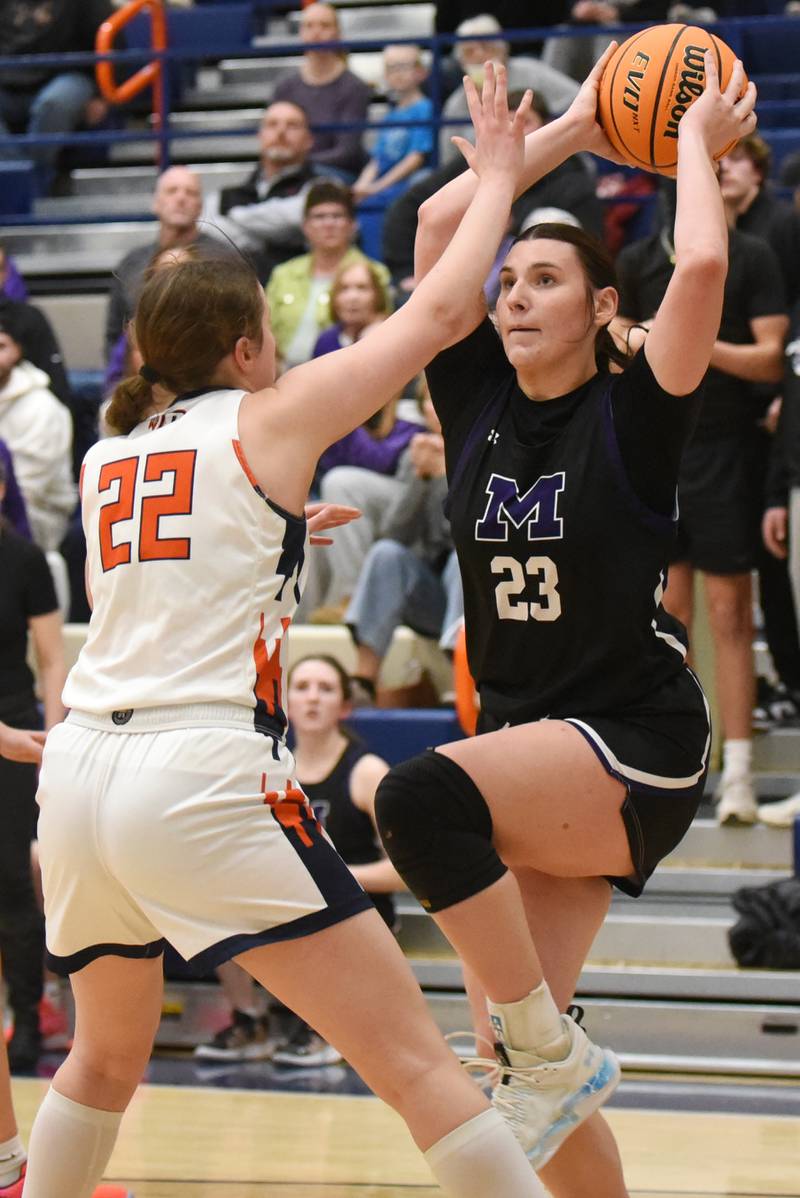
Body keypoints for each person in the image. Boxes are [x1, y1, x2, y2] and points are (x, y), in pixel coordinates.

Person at [23, 67, 551, 1198]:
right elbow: (443, 315)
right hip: (198, 771)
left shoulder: (106, 451)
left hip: (77, 780)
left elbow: (174, 554)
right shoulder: (272, 413)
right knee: (412, 1061)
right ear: (251, 346)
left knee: (101, 1058)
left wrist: (273, 522)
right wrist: (497, 172)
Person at [372, 47, 756, 1195]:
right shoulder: (477, 390)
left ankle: (546, 1050)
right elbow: (436, 232)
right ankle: (549, 1063)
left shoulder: (635, 412)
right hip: (535, 747)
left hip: (631, 741)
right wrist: (578, 129)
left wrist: (686, 141)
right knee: (521, 1068)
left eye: (543, 280)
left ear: (599, 308)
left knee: (415, 797)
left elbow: (695, 261)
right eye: (510, 281)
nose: (513, 295)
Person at [616, 183, 788, 825]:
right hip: (657, 449)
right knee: (667, 621)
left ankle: (737, 775)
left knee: (730, 613)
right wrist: (649, 339)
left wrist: (690, 340)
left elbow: (772, 359)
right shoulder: (637, 260)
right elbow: (613, 335)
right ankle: (676, 768)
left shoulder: (753, 255)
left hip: (727, 451)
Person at [197, 655, 403, 1065]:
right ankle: (249, 1019)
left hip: (355, 910)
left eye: (325, 689)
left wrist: (335, 878)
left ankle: (328, 1029)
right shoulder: (268, 769)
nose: (312, 698)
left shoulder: (365, 771)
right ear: (285, 702)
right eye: (303, 687)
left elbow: (406, 871)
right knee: (216, 902)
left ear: (345, 706)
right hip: (288, 904)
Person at [0, 454, 65, 1074]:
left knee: (14, 880)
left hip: (14, 726)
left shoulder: (24, 560)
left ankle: (26, 1022)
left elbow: (51, 658)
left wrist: (53, 742)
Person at [345, 380, 463, 705]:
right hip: (427, 594)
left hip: (480, 596)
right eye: (428, 400)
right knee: (385, 554)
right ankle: (363, 681)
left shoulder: (484, 450)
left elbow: (469, 540)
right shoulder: (417, 452)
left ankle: (463, 683)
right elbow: (394, 534)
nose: (433, 408)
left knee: (461, 561)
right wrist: (420, 478)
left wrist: (445, 479)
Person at [265, 181, 391, 372]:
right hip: (281, 375)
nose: (328, 224)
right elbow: (264, 329)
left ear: (353, 225)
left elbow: (383, 337)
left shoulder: (373, 273)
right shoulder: (283, 273)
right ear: (305, 226)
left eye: (337, 216)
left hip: (342, 377)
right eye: (319, 217)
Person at [104, 167, 224, 361]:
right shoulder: (131, 264)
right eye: (172, 191)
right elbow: (115, 335)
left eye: (190, 192)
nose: (181, 198)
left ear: (200, 206)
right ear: (155, 203)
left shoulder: (225, 261)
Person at [203, 100, 331, 279]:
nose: (280, 132)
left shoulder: (323, 189)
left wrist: (232, 216)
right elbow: (208, 234)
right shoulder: (224, 195)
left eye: (292, 126)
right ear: (260, 135)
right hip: (237, 292)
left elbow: (289, 217)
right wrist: (272, 239)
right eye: (272, 125)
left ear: (309, 140)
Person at [0, 0, 114, 196]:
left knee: (53, 104)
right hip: (8, 80)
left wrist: (103, 96)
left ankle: (35, 177)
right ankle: (20, 176)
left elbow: (114, 42)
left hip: (68, 74)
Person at [439, 15, 579, 163]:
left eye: (486, 46)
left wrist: (545, 122)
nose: (479, 55)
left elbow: (577, 97)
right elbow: (448, 159)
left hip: (541, 160)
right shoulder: (457, 102)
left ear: (502, 50)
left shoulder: (531, 72)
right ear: (461, 61)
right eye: (469, 51)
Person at [0, 309, 76, 552]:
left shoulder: (41, 407)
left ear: (18, 351)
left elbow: (28, 491)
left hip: (40, 514)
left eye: (1, 346)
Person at [272, 2, 371, 182]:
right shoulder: (285, 86)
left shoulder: (354, 87)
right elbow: (271, 136)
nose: (316, 33)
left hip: (335, 174)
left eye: (324, 26)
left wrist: (298, 163)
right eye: (309, 26)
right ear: (301, 33)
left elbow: (347, 152)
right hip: (291, 170)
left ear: (338, 33)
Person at [353, 44, 433, 207]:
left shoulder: (425, 108)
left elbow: (415, 158)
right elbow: (378, 159)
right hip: (384, 182)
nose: (397, 74)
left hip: (406, 182)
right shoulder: (391, 115)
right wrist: (361, 186)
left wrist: (377, 187)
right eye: (391, 68)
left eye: (404, 67)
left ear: (421, 72)